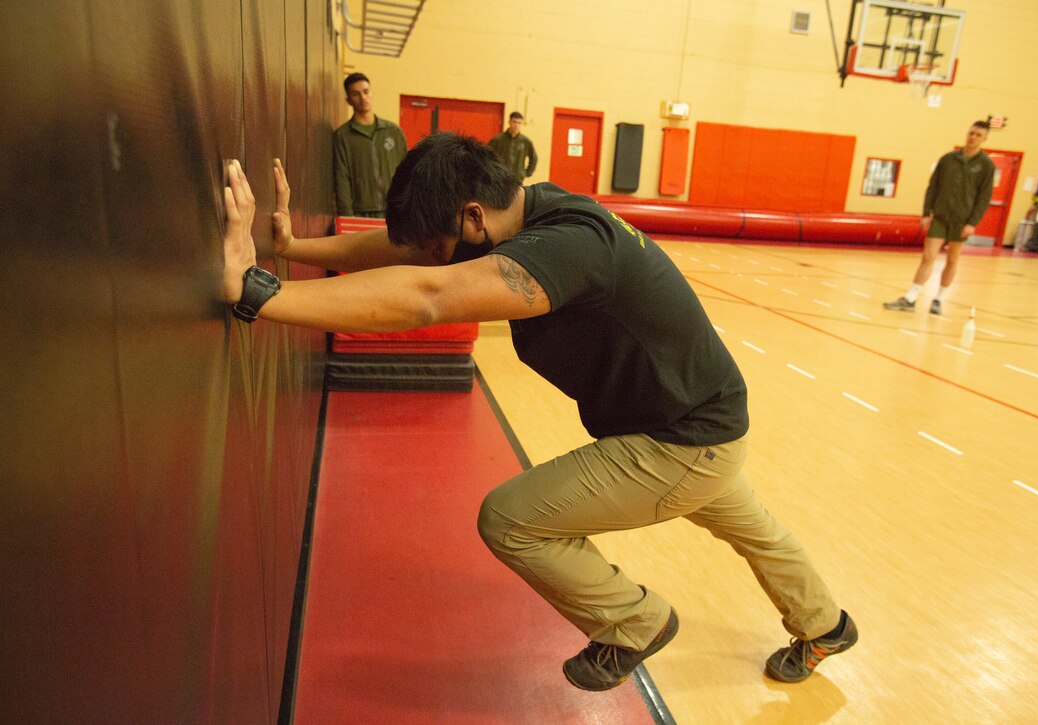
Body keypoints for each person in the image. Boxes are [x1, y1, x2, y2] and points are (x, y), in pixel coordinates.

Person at [220, 134, 857, 689]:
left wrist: (258, 295)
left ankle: (634, 620)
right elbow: (415, 256)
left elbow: (427, 296)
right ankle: (828, 625)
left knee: (512, 519)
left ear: (473, 218)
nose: (432, 256)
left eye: (441, 244)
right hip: (706, 419)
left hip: (681, 442)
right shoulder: (526, 210)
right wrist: (298, 250)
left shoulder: (566, 248)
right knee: (757, 531)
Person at [884, 120, 995, 315]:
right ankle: (911, 297)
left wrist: (972, 223)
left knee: (952, 260)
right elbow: (932, 187)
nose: (973, 137)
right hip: (941, 217)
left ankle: (939, 299)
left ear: (984, 138)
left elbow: (984, 197)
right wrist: (927, 213)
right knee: (928, 257)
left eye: (978, 135)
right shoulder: (948, 159)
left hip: (962, 221)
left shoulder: (986, 165)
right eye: (971, 133)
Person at [333, 72, 408, 218]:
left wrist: (405, 209)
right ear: (348, 100)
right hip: (360, 212)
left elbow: (407, 173)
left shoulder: (394, 132)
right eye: (356, 94)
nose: (363, 98)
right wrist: (347, 216)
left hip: (393, 211)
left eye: (366, 92)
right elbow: (341, 178)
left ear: (372, 93)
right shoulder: (343, 136)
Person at [488, 112, 538, 182]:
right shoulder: (498, 139)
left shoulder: (526, 141)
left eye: (519, 123)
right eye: (514, 122)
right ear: (509, 122)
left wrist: (526, 173)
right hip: (500, 178)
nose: (516, 125)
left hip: (517, 179)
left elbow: (534, 158)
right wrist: (493, 171)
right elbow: (487, 156)